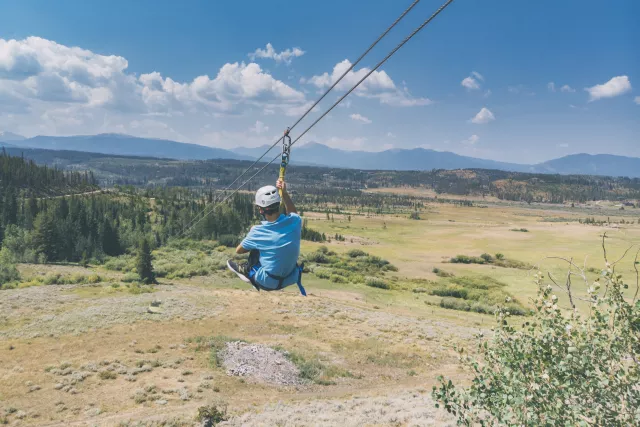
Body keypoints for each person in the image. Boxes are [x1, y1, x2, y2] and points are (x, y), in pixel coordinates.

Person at [227, 179, 303, 292]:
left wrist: (252, 234)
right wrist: (285, 193)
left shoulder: (258, 232)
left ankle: (247, 270)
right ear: (279, 204)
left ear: (260, 209)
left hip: (268, 281)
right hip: (290, 278)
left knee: (256, 247)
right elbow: (293, 213)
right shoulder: (295, 221)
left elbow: (239, 250)